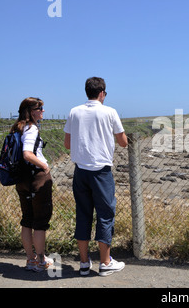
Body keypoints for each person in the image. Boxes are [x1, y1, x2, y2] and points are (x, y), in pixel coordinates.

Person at [64, 77, 128, 276]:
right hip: (101, 172)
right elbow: (123, 141)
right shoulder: (109, 112)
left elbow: (67, 143)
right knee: (105, 215)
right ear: (102, 93)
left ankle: (84, 263)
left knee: (83, 214)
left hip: (80, 171)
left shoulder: (74, 111)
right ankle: (105, 262)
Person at [11, 97, 53, 272]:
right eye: (40, 108)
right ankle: (41, 260)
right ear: (31, 111)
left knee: (27, 219)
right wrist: (44, 165)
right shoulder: (32, 128)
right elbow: (27, 153)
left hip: (21, 179)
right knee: (40, 221)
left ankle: (30, 260)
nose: (43, 111)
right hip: (36, 178)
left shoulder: (17, 128)